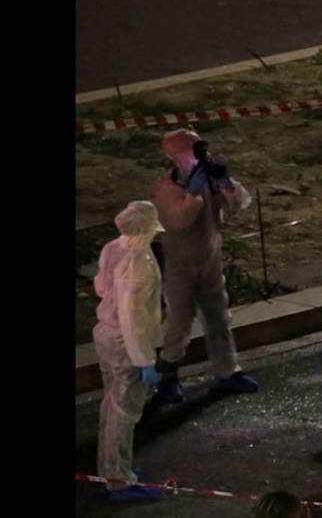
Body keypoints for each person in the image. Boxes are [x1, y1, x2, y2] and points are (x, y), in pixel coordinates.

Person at [152, 128, 259, 402]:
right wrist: (192, 193)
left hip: (209, 261)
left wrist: (226, 183)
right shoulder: (166, 188)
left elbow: (240, 203)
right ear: (175, 157)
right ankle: (168, 374)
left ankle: (228, 371)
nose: (199, 155)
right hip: (179, 265)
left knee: (219, 319)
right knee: (179, 321)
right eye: (191, 150)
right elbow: (179, 221)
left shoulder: (208, 180)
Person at [93, 201, 166, 502]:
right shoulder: (139, 261)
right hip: (126, 344)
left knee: (111, 408)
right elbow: (132, 316)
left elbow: (100, 286)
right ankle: (119, 481)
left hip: (106, 335)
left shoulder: (114, 247)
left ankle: (112, 468)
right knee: (125, 412)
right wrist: (145, 360)